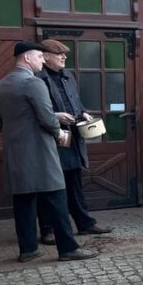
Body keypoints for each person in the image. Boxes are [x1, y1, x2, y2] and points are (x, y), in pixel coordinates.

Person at [0, 41, 98, 263]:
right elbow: (47, 119)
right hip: (41, 152)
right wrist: (58, 131)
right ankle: (68, 248)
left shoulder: (2, 84)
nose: (42, 61)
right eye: (40, 57)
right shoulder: (34, 83)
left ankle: (28, 250)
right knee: (58, 198)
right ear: (27, 58)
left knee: (23, 202)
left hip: (15, 154)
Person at [36, 39, 112, 243]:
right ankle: (48, 229)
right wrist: (56, 116)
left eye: (64, 54)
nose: (64, 57)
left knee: (74, 182)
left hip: (73, 138)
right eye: (59, 54)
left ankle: (84, 223)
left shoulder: (68, 76)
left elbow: (75, 101)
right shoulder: (37, 78)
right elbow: (36, 111)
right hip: (51, 138)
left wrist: (83, 113)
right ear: (45, 57)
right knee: (50, 186)